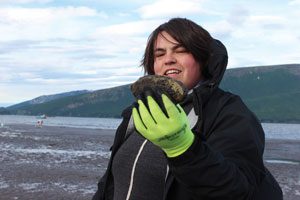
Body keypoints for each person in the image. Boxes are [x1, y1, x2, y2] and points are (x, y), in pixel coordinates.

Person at [92, 18, 282, 200]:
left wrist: (182, 148)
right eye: (159, 54)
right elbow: (110, 182)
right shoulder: (138, 112)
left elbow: (237, 191)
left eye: (181, 50)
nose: (168, 59)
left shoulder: (230, 112)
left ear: (202, 58)